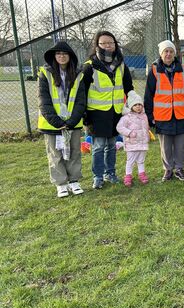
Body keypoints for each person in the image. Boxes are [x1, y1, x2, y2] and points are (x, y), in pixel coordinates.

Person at [83, 31, 134, 189]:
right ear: (97, 45)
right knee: (98, 147)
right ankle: (97, 177)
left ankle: (110, 173)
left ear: (115, 44)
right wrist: (85, 115)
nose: (108, 46)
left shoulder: (121, 65)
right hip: (96, 114)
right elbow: (82, 92)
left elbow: (128, 88)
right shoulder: (89, 67)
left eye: (111, 43)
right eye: (104, 43)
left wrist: (133, 106)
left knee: (112, 145)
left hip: (115, 113)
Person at [38, 41, 86, 198]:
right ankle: (61, 184)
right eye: (58, 53)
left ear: (70, 56)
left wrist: (72, 121)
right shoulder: (45, 74)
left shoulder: (78, 74)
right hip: (53, 125)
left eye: (65, 53)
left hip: (73, 123)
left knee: (74, 153)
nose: (61, 56)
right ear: (54, 56)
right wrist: (57, 122)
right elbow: (43, 101)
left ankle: (74, 181)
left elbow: (80, 100)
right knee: (55, 153)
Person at [145, 40, 184, 181]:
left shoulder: (183, 69)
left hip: (180, 115)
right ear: (161, 54)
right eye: (165, 51)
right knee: (165, 147)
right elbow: (148, 95)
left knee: (180, 146)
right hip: (162, 116)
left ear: (174, 53)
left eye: (171, 51)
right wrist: (149, 116)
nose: (168, 54)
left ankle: (180, 169)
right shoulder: (154, 70)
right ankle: (168, 170)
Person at [116, 91, 150, 187]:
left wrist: (147, 136)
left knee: (141, 160)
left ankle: (142, 174)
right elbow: (120, 127)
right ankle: (128, 175)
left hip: (142, 143)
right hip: (131, 143)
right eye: (135, 105)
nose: (138, 106)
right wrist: (129, 133)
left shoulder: (144, 116)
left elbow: (145, 127)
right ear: (131, 106)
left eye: (140, 104)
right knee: (130, 161)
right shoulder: (126, 117)